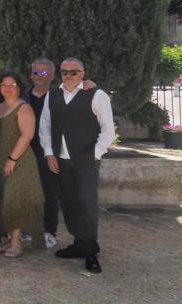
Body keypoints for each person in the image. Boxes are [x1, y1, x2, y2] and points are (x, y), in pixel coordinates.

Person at [40, 58, 115, 274]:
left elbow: (108, 129)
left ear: (83, 73)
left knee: (86, 204)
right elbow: (45, 125)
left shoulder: (97, 95)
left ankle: (90, 251)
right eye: (64, 72)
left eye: (74, 72)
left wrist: (95, 154)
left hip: (86, 161)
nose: (69, 76)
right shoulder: (52, 95)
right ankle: (79, 243)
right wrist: (49, 153)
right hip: (60, 161)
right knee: (69, 203)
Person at [0, 70, 45, 258]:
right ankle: (10, 239)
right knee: (4, 200)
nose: (7, 88)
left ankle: (16, 243)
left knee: (13, 199)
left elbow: (27, 136)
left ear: (19, 88)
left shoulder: (24, 108)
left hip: (19, 161)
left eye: (12, 85)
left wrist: (12, 159)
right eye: (4, 85)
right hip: (0, 161)